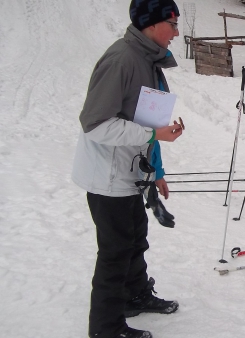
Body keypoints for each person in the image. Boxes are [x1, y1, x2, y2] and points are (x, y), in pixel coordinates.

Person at [71, 1, 183, 337]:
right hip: (108, 179)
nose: (177, 32)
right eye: (172, 23)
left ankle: (135, 295)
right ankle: (105, 328)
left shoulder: (148, 60)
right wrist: (152, 133)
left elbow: (147, 119)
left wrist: (155, 172)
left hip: (129, 175)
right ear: (150, 24)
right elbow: (95, 124)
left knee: (135, 239)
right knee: (115, 252)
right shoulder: (122, 59)